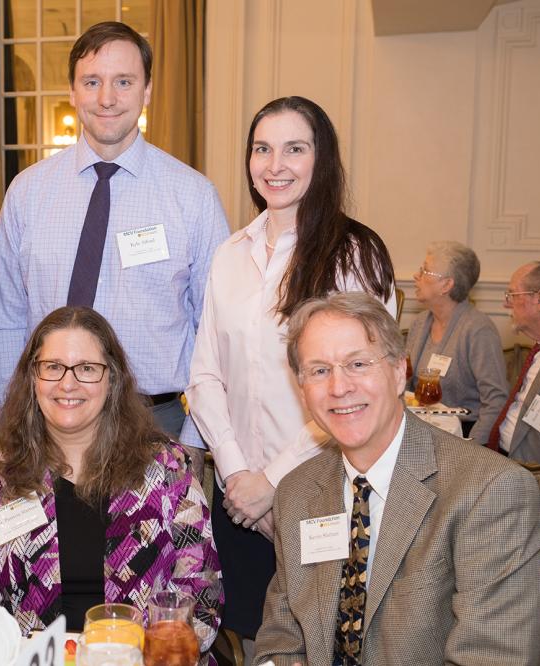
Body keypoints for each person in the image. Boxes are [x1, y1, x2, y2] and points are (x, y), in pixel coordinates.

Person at [186, 96, 395, 646]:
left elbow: (356, 391)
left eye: (294, 149)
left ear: (320, 158)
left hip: (325, 487)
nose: (274, 164)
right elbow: (205, 377)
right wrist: (238, 479)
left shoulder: (355, 254)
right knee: (253, 642)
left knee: (331, 642)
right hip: (237, 499)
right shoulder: (230, 253)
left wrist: (271, 483)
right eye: (262, 149)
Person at [253, 292, 540, 665]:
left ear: (398, 372)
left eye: (357, 363)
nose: (339, 387)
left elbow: (495, 658)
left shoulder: (490, 493)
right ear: (302, 390)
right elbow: (281, 636)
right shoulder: (297, 491)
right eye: (319, 370)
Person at [0, 21, 229, 475]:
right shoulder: (27, 192)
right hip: (46, 423)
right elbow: (6, 318)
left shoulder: (192, 196)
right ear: (73, 91)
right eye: (92, 82)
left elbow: (213, 331)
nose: (107, 98)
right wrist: (10, 417)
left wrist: (195, 440)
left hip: (159, 427)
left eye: (124, 82)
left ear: (147, 90)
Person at [0, 307, 222, 653]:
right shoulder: (3, 474)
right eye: (52, 367)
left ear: (112, 379)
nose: (68, 383)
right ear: (33, 378)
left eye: (86, 369)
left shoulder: (164, 468)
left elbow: (202, 599)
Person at [406, 241, 508, 443]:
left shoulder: (478, 330)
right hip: (420, 429)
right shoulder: (420, 323)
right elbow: (406, 383)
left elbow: (496, 399)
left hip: (462, 435)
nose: (416, 276)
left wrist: (473, 447)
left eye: (425, 271)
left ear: (447, 285)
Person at [489, 261, 540, 504]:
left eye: (512, 294)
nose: (505, 304)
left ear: (539, 300)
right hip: (507, 468)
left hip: (534, 489)